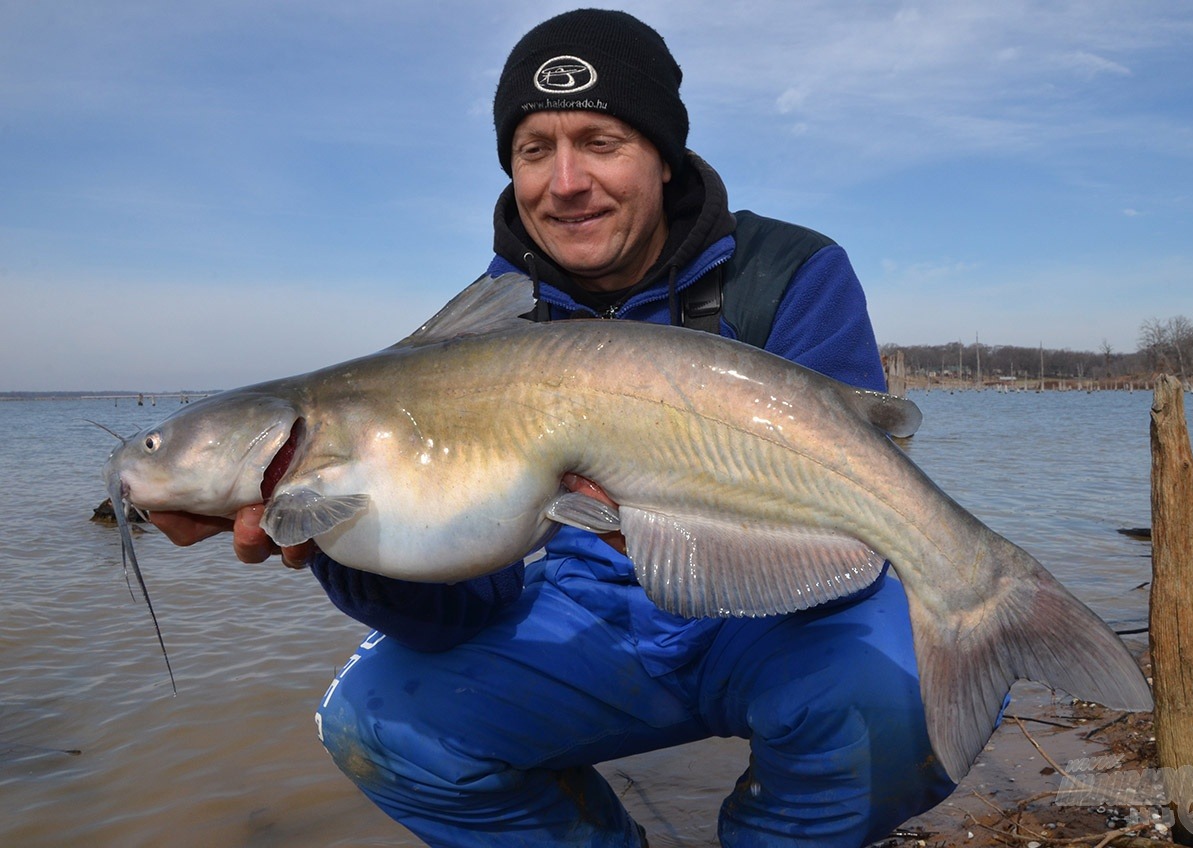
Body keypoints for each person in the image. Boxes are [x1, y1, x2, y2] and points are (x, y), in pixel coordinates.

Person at [152, 9, 955, 846]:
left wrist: (679, 527)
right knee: (375, 726)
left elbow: (862, 547)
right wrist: (339, 540)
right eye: (535, 150)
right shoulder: (473, 334)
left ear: (662, 153)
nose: (565, 182)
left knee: (909, 690)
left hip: (781, 622)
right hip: (588, 612)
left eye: (600, 141)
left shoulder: (791, 273)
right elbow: (461, 615)